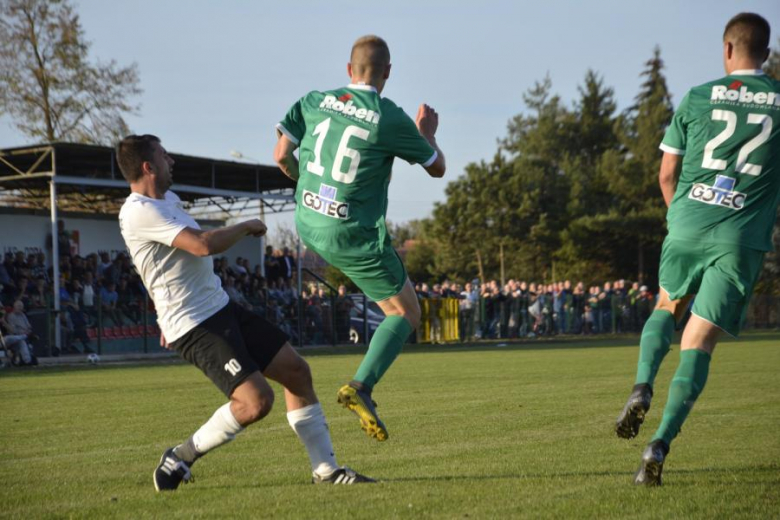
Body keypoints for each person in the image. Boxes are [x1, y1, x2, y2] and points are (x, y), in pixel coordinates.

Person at [116, 134, 373, 492]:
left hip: (220, 307)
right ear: (148, 166)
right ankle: (180, 456)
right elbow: (202, 246)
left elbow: (162, 264)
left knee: (297, 372)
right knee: (256, 402)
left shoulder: (167, 201)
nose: (170, 160)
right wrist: (245, 227)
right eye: (163, 155)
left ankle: (326, 470)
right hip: (196, 324)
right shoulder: (139, 210)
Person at [615, 13, 780, 486]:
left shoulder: (697, 96)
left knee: (666, 306)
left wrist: (678, 217)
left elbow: (667, 174)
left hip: (688, 222)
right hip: (739, 238)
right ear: (765, 54)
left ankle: (642, 386)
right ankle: (658, 444)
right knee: (699, 342)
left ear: (727, 50)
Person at [274, 35, 446, 441]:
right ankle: (360, 387)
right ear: (387, 72)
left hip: (308, 224)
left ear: (348, 70)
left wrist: (308, 191)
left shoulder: (313, 101)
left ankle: (364, 384)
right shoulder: (390, 117)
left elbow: (282, 155)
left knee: (392, 307)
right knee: (407, 313)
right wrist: (427, 133)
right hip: (352, 232)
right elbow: (436, 168)